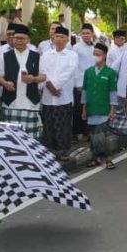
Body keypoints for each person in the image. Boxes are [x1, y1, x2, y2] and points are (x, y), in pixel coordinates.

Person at [0, 24, 44, 136]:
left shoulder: (36, 56)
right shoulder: (5, 56)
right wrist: (5, 83)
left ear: (28, 40)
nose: (18, 40)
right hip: (11, 104)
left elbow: (43, 76)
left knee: (30, 138)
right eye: (16, 38)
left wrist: (34, 78)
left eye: (22, 38)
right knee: (12, 138)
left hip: (30, 104)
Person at [39, 25, 78, 156]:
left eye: (62, 37)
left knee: (63, 125)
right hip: (48, 97)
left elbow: (68, 73)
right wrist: (50, 87)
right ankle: (49, 152)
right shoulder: (45, 55)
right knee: (49, 125)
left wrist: (55, 86)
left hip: (63, 96)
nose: (59, 39)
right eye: (57, 36)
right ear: (53, 38)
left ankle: (63, 152)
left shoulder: (72, 55)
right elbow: (43, 72)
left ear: (67, 39)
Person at [82, 43, 118, 169]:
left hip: (104, 109)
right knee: (93, 135)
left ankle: (108, 159)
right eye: (94, 54)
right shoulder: (88, 72)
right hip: (91, 108)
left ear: (104, 56)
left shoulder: (110, 73)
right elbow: (85, 91)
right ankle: (95, 158)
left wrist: (112, 109)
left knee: (103, 135)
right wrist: (84, 109)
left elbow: (113, 92)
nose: (95, 56)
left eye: (98, 54)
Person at [73, 23, 97, 141]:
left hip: (92, 82)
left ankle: (89, 132)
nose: (86, 35)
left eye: (88, 33)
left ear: (92, 34)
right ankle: (79, 133)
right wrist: (78, 83)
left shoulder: (95, 47)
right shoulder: (76, 48)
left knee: (90, 106)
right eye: (84, 33)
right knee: (79, 107)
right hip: (81, 82)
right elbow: (75, 66)